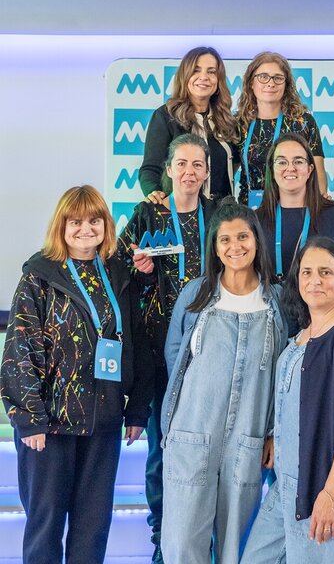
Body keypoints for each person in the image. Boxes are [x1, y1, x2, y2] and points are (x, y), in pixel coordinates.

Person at [0, 185, 152, 564]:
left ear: (106, 225)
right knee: (46, 527)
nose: (86, 229)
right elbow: (20, 351)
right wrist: (29, 420)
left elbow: (135, 343)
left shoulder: (118, 275)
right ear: (62, 226)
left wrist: (136, 410)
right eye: (76, 222)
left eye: (94, 220)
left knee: (92, 529)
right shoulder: (39, 276)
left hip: (103, 424)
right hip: (49, 428)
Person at [241, 236, 334, 564]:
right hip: (288, 487)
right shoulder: (301, 335)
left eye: (325, 272)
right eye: (306, 272)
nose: (314, 280)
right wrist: (277, 436)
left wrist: (331, 495)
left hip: (331, 492)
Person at [160, 202, 288, 564]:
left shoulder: (277, 300)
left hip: (249, 438)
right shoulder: (196, 294)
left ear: (257, 241)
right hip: (192, 434)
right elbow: (175, 356)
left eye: (243, 236)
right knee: (182, 543)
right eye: (225, 239)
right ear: (215, 248)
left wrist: (273, 432)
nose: (235, 246)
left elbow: (283, 375)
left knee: (237, 546)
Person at [117, 133, 216, 563]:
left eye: (198, 165)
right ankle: (163, 540)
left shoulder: (220, 214)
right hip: (159, 353)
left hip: (211, 351)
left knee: (209, 450)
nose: (190, 172)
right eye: (182, 164)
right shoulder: (147, 213)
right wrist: (140, 271)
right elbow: (117, 271)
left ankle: (206, 542)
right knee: (162, 450)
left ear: (207, 172)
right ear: (169, 170)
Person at [139, 46, 239, 202]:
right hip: (181, 211)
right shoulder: (165, 116)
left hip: (223, 212)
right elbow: (150, 169)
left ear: (219, 79)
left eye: (211, 72)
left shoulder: (226, 120)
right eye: (196, 70)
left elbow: (234, 164)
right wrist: (156, 196)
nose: (204, 77)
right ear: (185, 76)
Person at [257, 132, 334, 280]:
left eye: (298, 161)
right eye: (282, 162)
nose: (290, 168)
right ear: (272, 170)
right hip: (272, 296)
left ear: (310, 169)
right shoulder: (256, 221)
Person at [236, 51, 326, 207]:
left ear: (286, 84)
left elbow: (318, 176)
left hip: (295, 208)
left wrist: (319, 208)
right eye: (263, 77)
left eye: (278, 78)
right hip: (250, 210)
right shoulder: (240, 123)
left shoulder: (303, 123)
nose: (270, 83)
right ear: (251, 83)